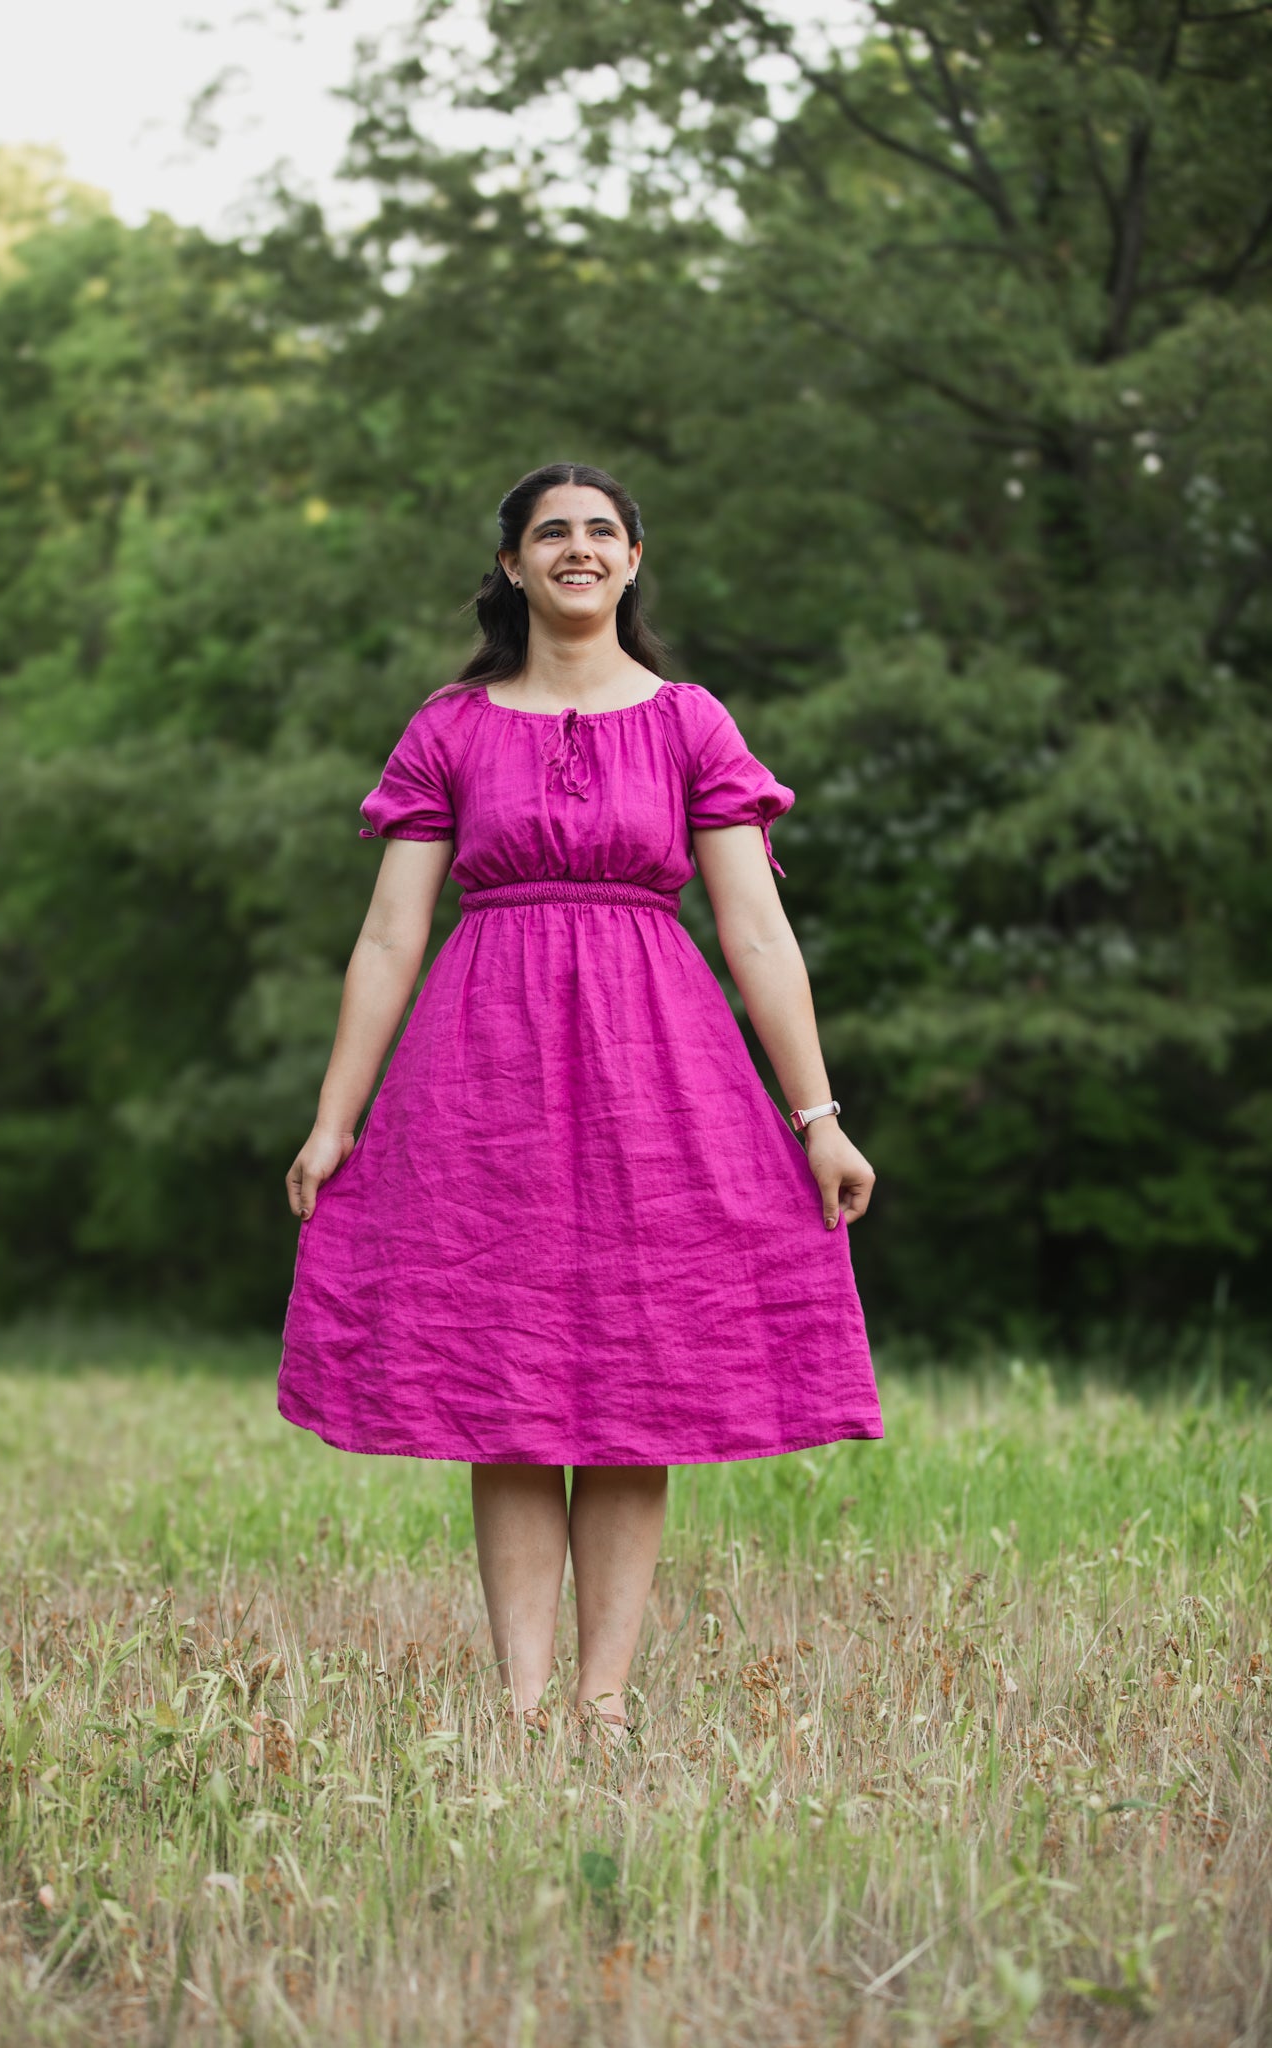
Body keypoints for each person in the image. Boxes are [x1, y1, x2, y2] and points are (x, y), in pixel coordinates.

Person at [279, 462, 881, 1737]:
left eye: (602, 530)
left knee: (635, 1377)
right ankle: (524, 1702)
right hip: (481, 1073)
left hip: (659, 1073)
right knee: (503, 1381)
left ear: (634, 559)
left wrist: (817, 1114)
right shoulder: (449, 725)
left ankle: (601, 1704)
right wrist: (337, 1118)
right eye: (551, 531)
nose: (578, 548)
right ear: (511, 565)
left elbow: (759, 933)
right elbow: (389, 938)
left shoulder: (691, 722)